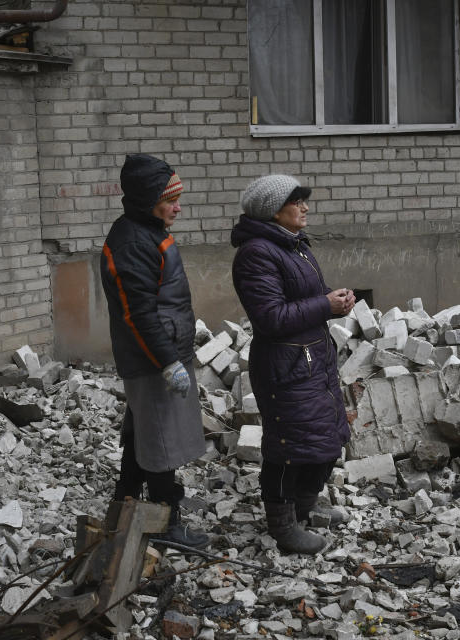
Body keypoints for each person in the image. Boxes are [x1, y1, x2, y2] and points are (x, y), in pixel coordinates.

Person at [231, 175, 355, 555]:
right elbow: (270, 316)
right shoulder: (256, 253)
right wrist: (325, 305)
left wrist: (334, 297)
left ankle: (305, 504)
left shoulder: (294, 246)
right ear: (273, 210)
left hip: (312, 355)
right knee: (289, 443)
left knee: (325, 436)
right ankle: (282, 524)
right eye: (296, 201)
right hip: (285, 364)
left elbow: (299, 295)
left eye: (304, 200)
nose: (305, 207)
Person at [100, 153, 209, 548]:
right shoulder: (132, 242)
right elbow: (139, 314)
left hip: (157, 354)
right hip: (151, 360)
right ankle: (166, 522)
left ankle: (124, 500)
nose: (178, 207)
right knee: (162, 440)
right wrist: (167, 362)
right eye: (171, 200)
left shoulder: (146, 231)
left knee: (142, 430)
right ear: (149, 201)